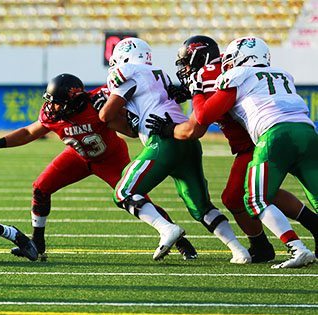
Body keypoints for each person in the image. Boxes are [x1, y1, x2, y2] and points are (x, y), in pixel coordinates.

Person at [0, 73, 197, 261]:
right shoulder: (52, 113)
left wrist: (115, 112)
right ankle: (37, 244)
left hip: (110, 158)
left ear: (74, 98)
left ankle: (180, 240)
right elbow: (30, 132)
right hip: (78, 156)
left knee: (136, 197)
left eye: (56, 101)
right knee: (40, 187)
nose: (51, 106)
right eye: (50, 100)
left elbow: (131, 116)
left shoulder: (98, 100)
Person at [146, 35, 318, 263]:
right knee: (251, 194)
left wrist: (168, 129)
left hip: (262, 140)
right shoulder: (272, 73)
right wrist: (190, 92)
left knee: (248, 196)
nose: (185, 67)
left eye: (188, 60)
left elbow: (194, 128)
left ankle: (287, 244)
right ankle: (268, 243)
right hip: (299, 130)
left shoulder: (215, 72)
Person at [98, 37, 251, 263]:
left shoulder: (127, 70)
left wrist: (111, 119)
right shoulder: (161, 73)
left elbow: (106, 115)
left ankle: (166, 228)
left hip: (163, 140)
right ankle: (238, 249)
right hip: (185, 138)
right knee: (201, 206)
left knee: (124, 192)